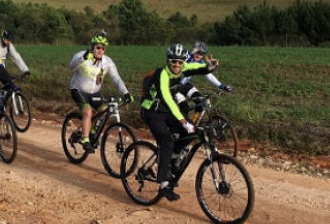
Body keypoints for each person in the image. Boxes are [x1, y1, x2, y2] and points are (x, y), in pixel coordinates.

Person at [140, 43, 218, 202]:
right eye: (173, 62)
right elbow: (168, 99)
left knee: (192, 132)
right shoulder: (161, 74)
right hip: (152, 111)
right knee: (167, 141)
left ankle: (171, 160)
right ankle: (163, 184)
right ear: (168, 61)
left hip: (167, 111)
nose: (177, 65)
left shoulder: (183, 67)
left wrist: (210, 67)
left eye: (180, 62)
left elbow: (198, 68)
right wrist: (183, 120)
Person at [68, 32, 133, 153]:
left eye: (103, 49)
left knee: (104, 111)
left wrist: (125, 92)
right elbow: (71, 65)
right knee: (88, 111)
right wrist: (84, 57)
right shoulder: (82, 56)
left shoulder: (107, 62)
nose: (100, 51)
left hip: (94, 92)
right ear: (92, 47)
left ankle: (91, 131)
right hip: (78, 89)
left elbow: (116, 78)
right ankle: (86, 141)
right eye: (98, 47)